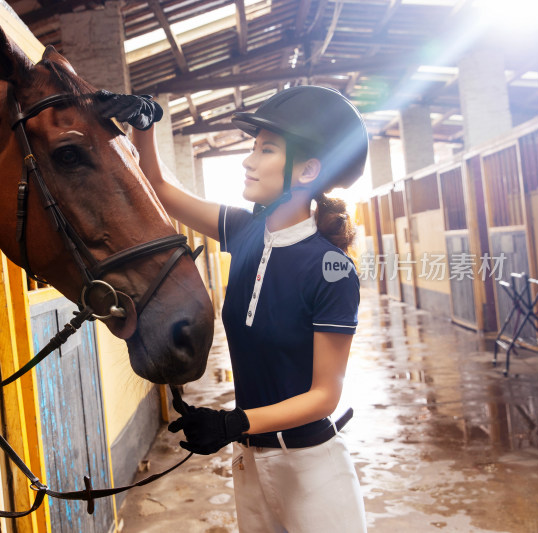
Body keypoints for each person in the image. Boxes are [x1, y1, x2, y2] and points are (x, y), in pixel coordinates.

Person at [98, 85, 368, 532]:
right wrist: (143, 126)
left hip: (312, 470)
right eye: (253, 148)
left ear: (307, 170)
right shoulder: (245, 231)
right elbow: (160, 189)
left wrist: (231, 422)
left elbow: (325, 396)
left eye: (266, 149)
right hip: (251, 462)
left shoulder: (331, 269)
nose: (249, 160)